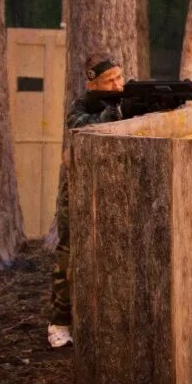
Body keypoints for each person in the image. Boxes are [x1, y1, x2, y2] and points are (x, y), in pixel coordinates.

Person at [46, 53, 125, 349]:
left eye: (119, 77)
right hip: (78, 188)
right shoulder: (81, 106)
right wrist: (116, 113)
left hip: (113, 188)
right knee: (68, 254)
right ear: (93, 84)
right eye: (110, 81)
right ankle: (59, 322)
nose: (117, 84)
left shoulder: (126, 98)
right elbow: (80, 125)